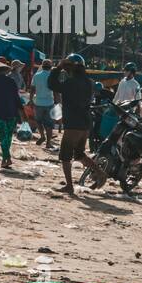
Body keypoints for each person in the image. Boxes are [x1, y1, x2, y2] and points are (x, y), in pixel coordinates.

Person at [48, 53, 105, 195]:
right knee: (79, 154)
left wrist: (58, 68)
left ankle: (69, 186)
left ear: (71, 68)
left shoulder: (70, 83)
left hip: (74, 123)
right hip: (86, 123)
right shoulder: (90, 82)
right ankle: (99, 172)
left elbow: (51, 84)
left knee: (65, 156)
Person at [30, 59, 56, 149]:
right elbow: (56, 91)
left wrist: (30, 100)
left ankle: (42, 136)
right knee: (49, 124)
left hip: (38, 102)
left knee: (38, 121)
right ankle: (48, 143)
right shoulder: (52, 76)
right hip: (49, 102)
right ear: (50, 67)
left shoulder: (36, 76)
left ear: (42, 66)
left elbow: (32, 89)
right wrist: (59, 102)